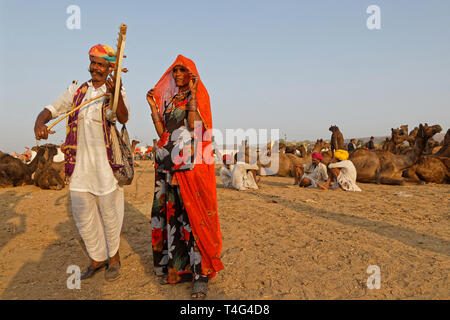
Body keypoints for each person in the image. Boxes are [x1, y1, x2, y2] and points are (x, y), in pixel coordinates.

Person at [34, 44, 130, 281]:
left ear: (109, 68)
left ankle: (114, 257)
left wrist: (114, 92)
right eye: (93, 63)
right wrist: (40, 123)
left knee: (110, 212)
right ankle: (97, 257)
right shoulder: (76, 91)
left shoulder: (115, 91)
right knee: (82, 214)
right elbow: (51, 109)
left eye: (101, 64)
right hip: (78, 167)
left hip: (106, 165)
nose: (95, 68)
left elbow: (122, 117)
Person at [146, 55, 223, 299]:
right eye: (175, 71)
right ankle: (179, 269)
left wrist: (192, 95)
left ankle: (200, 274)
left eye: (182, 70)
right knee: (171, 215)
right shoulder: (170, 101)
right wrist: (153, 108)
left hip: (189, 167)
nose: (177, 74)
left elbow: (196, 127)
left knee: (192, 217)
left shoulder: (198, 96)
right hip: (168, 166)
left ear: (191, 74)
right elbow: (163, 133)